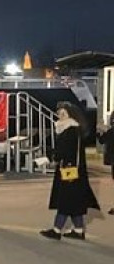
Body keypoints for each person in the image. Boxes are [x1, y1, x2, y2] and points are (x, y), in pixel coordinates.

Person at [40, 102, 100, 240]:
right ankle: (78, 230)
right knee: (73, 202)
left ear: (70, 115)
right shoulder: (71, 129)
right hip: (72, 170)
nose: (60, 116)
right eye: (59, 114)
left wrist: (51, 157)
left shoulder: (70, 130)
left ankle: (56, 230)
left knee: (65, 201)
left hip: (69, 171)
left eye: (64, 114)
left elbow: (65, 151)